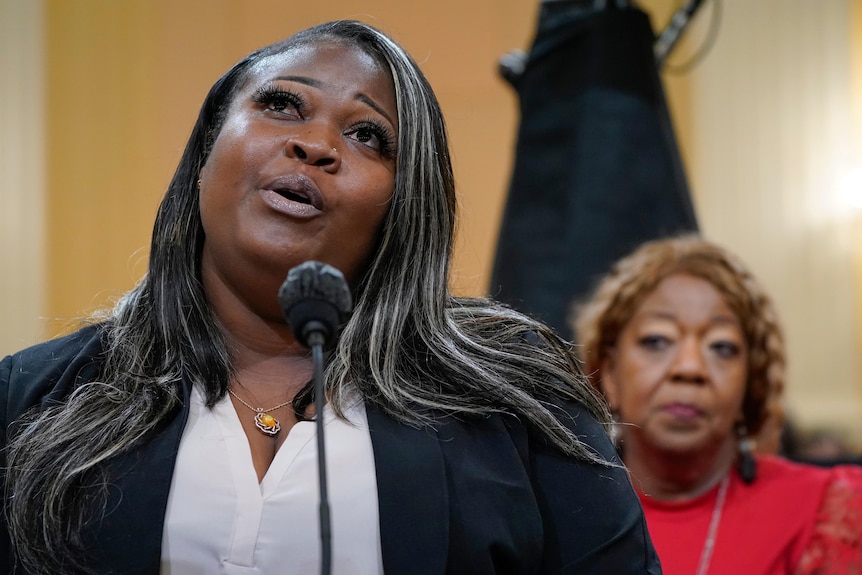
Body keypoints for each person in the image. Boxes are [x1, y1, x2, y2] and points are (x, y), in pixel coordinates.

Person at [0, 20, 660, 575]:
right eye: (282, 104)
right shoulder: (33, 394)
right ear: (205, 151)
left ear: (404, 207)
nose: (314, 145)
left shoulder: (515, 401)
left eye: (367, 135)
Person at [572, 234, 862, 574]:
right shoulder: (560, 514)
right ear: (610, 375)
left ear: (749, 384)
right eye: (657, 340)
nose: (689, 367)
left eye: (721, 347)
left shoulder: (828, 512)